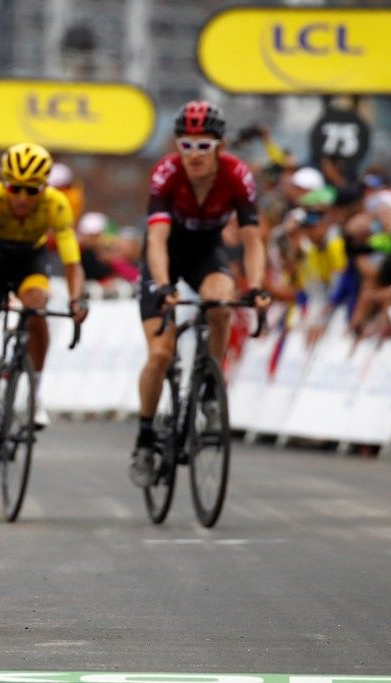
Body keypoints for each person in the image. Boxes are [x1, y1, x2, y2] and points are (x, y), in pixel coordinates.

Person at [130, 100, 270, 487]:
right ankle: (144, 436)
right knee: (160, 353)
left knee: (222, 301)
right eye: (186, 145)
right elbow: (156, 239)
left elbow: (252, 240)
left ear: (220, 147)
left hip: (205, 254)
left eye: (203, 146)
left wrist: (256, 287)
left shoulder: (237, 175)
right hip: (164, 256)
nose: (193, 154)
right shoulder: (166, 174)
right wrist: (161, 284)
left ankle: (210, 383)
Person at [0, 142, 87, 437]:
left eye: (32, 190)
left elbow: (72, 261)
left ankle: (34, 393)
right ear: (5, 184)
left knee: (37, 307)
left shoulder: (56, 203)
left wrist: (77, 299)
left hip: (30, 262)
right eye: (15, 188)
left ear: (44, 189)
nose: (22, 198)